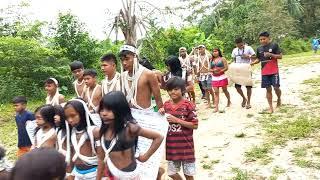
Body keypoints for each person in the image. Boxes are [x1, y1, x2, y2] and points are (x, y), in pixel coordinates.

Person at [96, 91, 164, 179]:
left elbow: (158, 137)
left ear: (120, 110)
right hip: (111, 174)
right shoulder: (103, 130)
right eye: (102, 109)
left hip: (128, 177)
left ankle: (158, 173)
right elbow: (101, 159)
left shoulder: (130, 128)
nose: (104, 113)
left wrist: (145, 157)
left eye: (109, 110)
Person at [163, 77, 198, 180]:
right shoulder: (166, 105)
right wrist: (160, 112)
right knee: (171, 173)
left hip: (186, 147)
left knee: (188, 174)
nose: (172, 92)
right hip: (172, 147)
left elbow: (195, 125)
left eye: (176, 89)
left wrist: (177, 120)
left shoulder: (188, 105)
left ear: (182, 90)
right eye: (170, 89)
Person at [119, 44, 164, 113]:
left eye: (127, 59)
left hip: (146, 115)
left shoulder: (149, 74)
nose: (124, 63)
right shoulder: (122, 76)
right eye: (122, 60)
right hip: (128, 116)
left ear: (135, 57)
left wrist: (160, 115)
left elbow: (158, 99)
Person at [64, 99, 101, 180]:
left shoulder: (94, 132)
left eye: (73, 115)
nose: (70, 120)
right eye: (67, 117)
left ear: (82, 113)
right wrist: (70, 173)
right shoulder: (72, 133)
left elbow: (102, 159)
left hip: (93, 174)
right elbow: (71, 154)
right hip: (77, 173)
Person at [251, 32, 282, 113]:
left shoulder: (274, 45)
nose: (262, 41)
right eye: (260, 39)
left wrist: (271, 55)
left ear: (268, 38)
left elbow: (280, 56)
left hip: (274, 70)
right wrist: (253, 62)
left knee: (276, 87)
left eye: (264, 39)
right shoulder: (259, 49)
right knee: (268, 89)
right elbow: (259, 59)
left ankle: (279, 98)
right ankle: (271, 107)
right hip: (264, 72)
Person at [231, 38, 256, 109]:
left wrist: (248, 56)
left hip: (246, 69)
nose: (240, 46)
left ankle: (249, 102)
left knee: (248, 86)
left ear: (243, 43)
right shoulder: (234, 50)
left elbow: (255, 56)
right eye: (238, 45)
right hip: (238, 69)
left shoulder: (249, 48)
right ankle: (244, 98)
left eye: (241, 45)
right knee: (237, 87)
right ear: (236, 45)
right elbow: (234, 59)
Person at [211, 48, 231, 112]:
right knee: (216, 92)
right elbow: (209, 69)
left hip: (222, 76)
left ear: (219, 52)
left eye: (216, 51)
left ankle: (228, 100)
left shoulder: (223, 59)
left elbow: (226, 68)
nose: (214, 52)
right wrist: (213, 70)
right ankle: (216, 107)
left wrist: (220, 71)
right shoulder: (211, 59)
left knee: (225, 90)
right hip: (214, 77)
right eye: (213, 51)